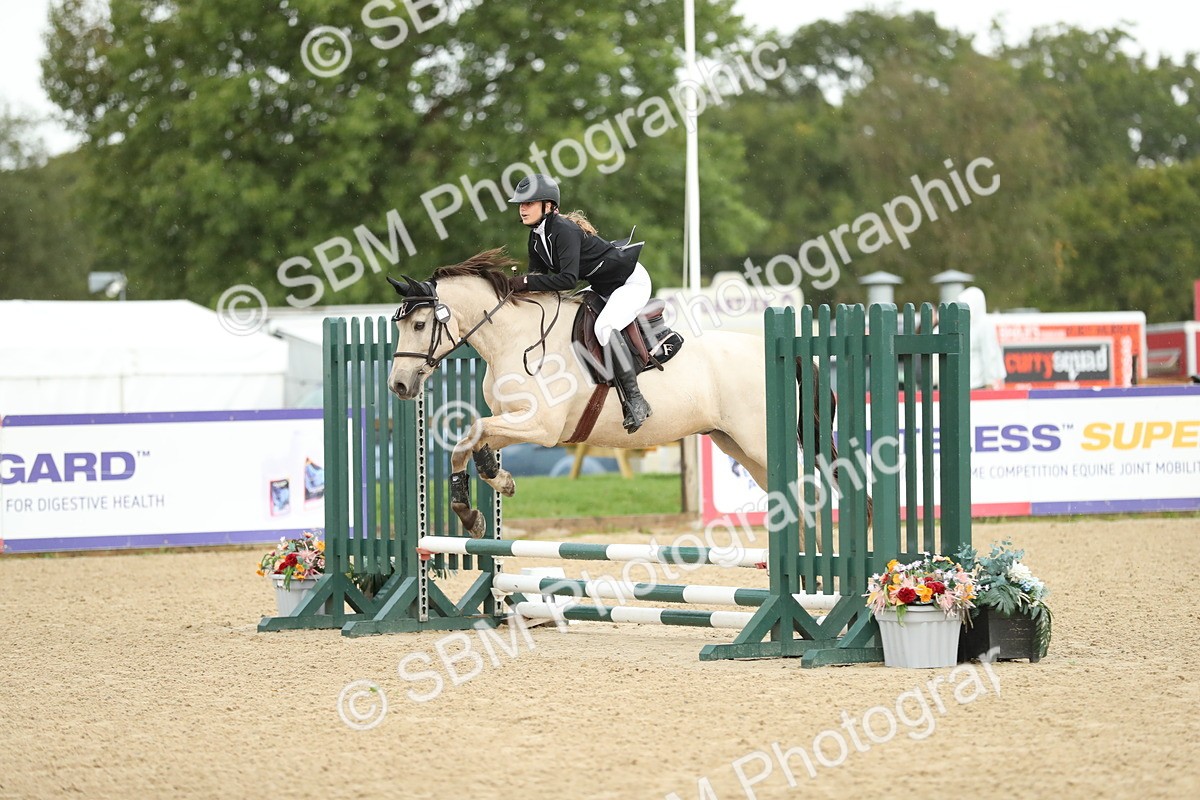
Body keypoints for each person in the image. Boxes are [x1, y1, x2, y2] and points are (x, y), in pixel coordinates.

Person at [506, 173, 654, 433]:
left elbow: (566, 279)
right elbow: (538, 279)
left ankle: (636, 399)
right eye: (521, 204)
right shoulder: (536, 238)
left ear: (549, 206)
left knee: (604, 327)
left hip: (629, 282)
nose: (522, 209)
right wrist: (514, 290)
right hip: (603, 286)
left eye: (529, 203)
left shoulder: (563, 230)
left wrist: (526, 283)